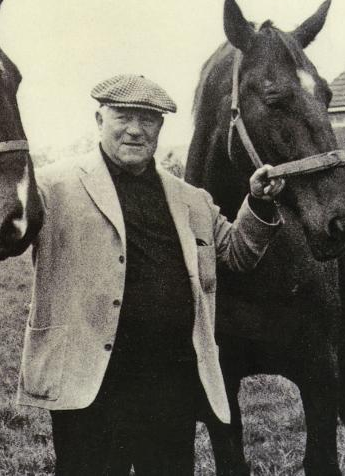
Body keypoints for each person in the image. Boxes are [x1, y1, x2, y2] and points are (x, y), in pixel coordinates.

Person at [16, 74, 284, 475]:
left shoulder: (191, 199)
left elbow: (237, 254)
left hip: (170, 383)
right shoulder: (51, 186)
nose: (136, 130)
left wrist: (258, 204)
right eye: (123, 117)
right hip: (90, 380)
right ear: (99, 119)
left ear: (160, 128)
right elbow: (2, 238)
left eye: (149, 120)